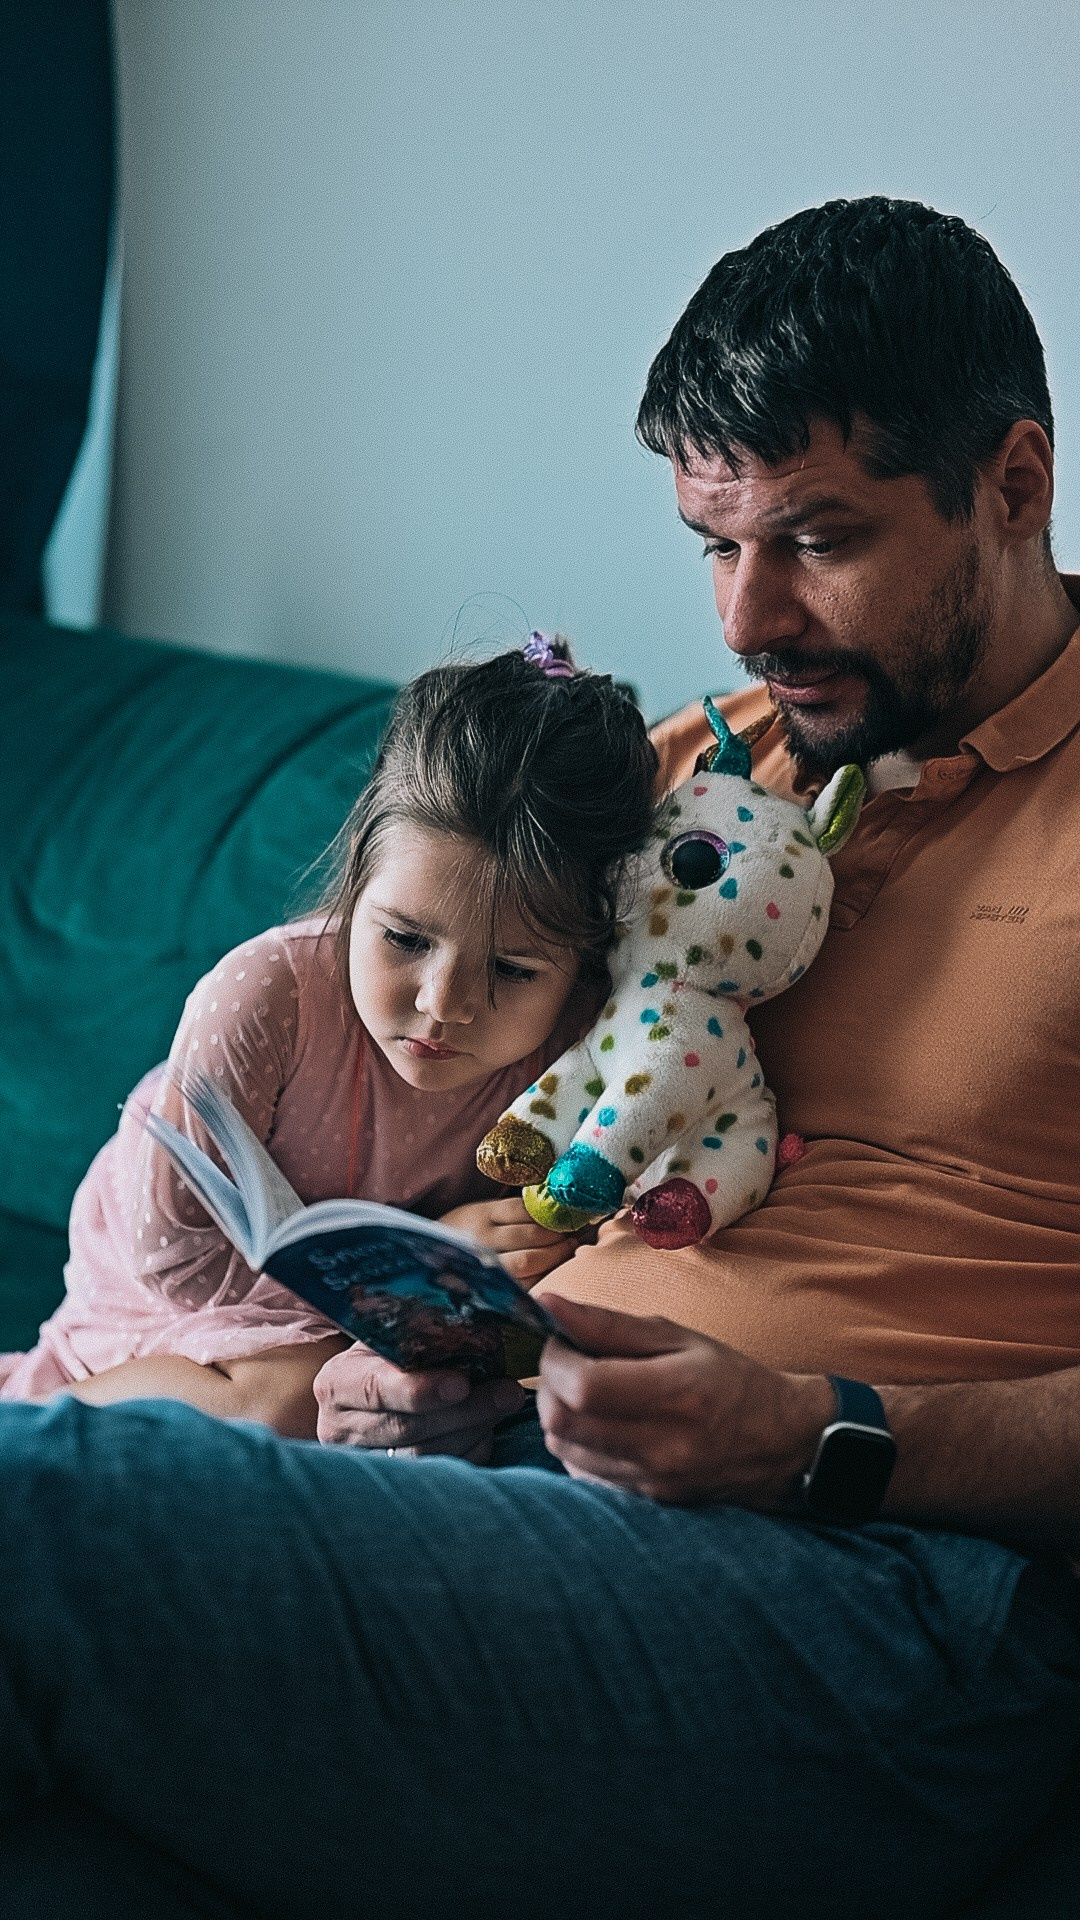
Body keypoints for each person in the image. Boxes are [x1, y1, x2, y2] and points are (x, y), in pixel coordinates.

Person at [2, 197, 1080, 1919]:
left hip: (870, 1586)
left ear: (1014, 483)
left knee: (47, 1514)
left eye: (818, 539)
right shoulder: (698, 767)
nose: (748, 617)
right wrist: (411, 1372)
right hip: (515, 1471)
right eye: (713, 545)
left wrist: (822, 1436)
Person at [0, 639, 657, 1436]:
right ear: (358, 875)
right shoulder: (266, 996)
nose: (442, 1005)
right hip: (175, 1294)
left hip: (366, 1327)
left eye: (512, 970)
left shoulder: (590, 1043)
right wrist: (416, 1270)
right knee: (291, 1400)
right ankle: (29, 1417)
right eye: (405, 939)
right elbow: (172, 1261)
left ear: (585, 961)